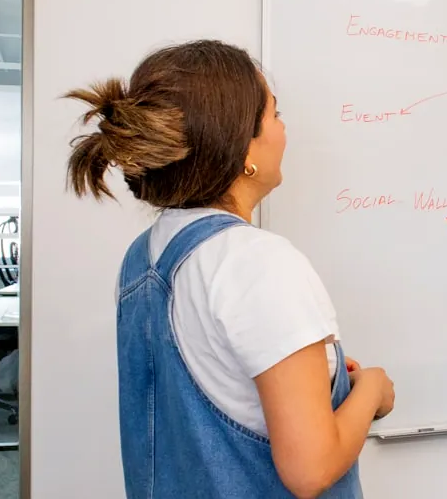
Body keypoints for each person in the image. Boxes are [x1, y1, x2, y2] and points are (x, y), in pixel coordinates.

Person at [65, 40, 394, 498]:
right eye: (274, 115)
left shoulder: (144, 257)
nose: (283, 130)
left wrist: (323, 372)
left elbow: (218, 381)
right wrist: (372, 390)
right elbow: (311, 469)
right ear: (243, 151)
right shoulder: (257, 262)